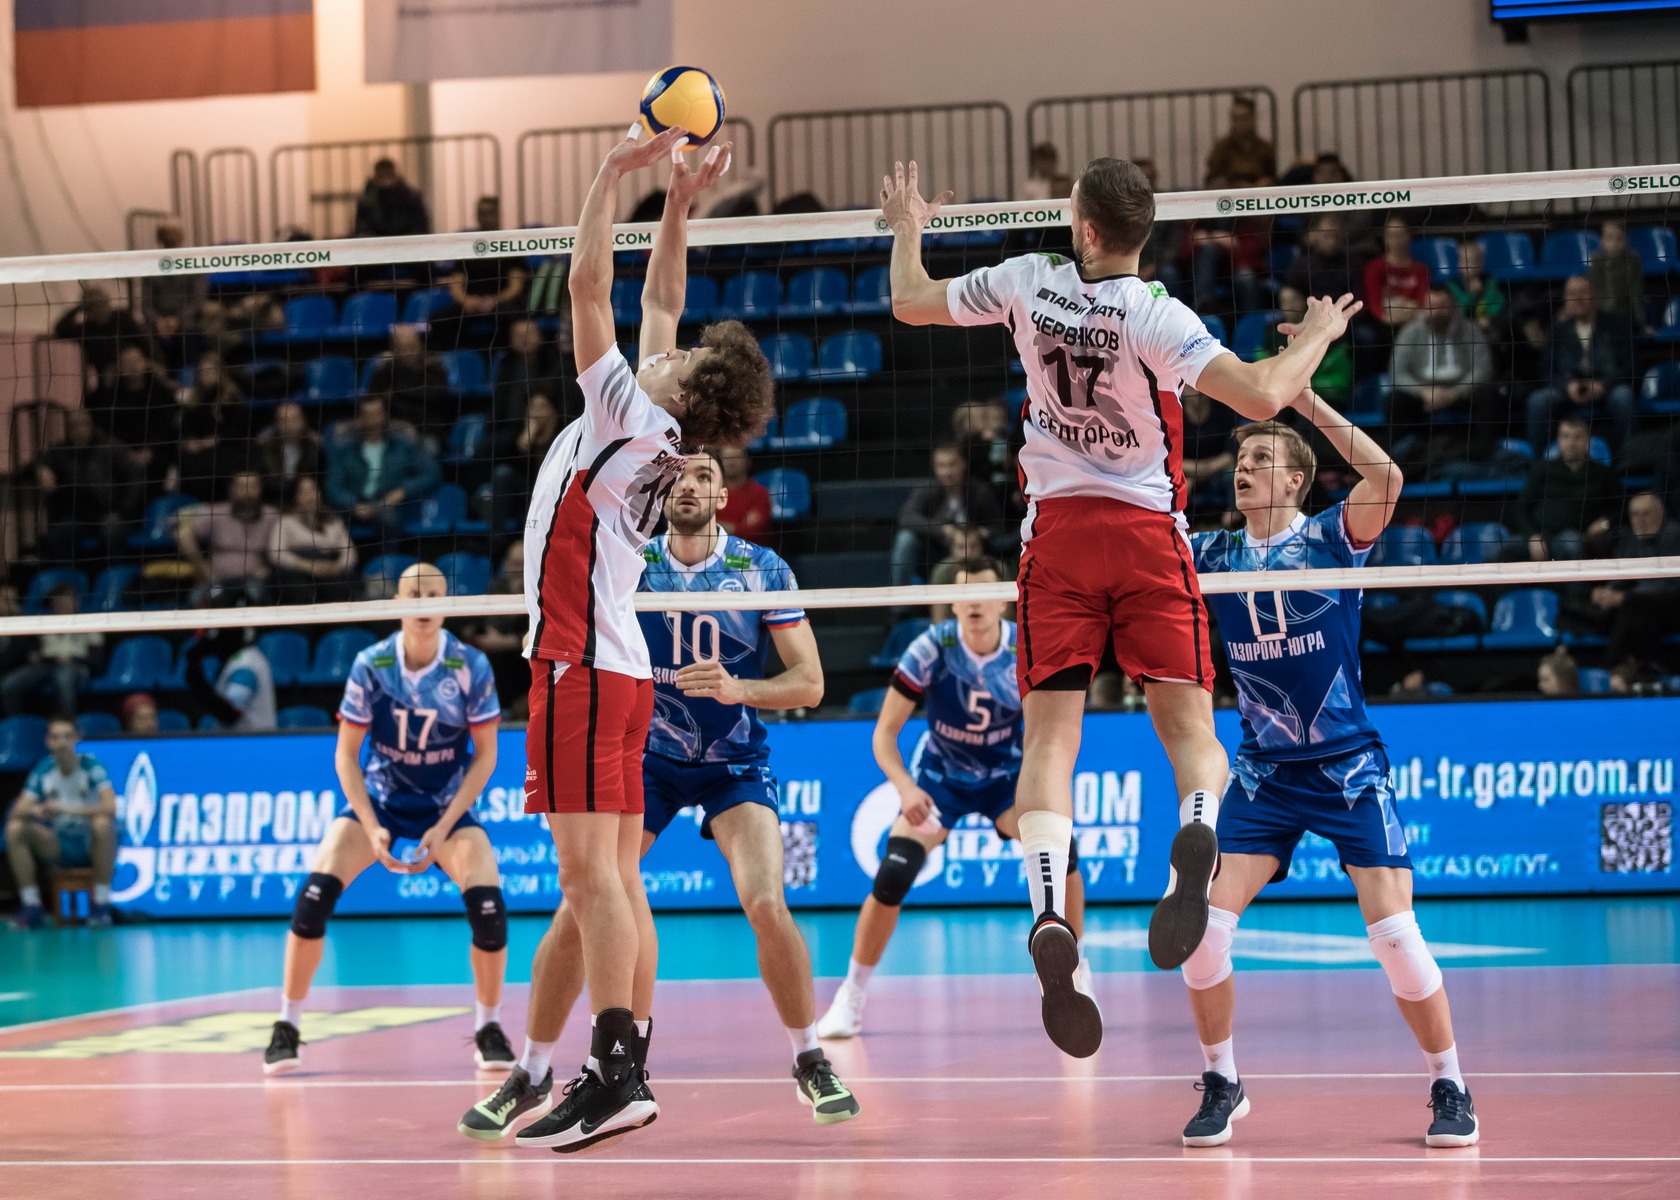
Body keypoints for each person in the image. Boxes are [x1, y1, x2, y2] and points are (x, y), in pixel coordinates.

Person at [883, 154, 1360, 1056]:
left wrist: (909, 227)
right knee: (1189, 730)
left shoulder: (1027, 281)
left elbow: (909, 301)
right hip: (1147, 534)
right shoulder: (1156, 315)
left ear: (1087, 228)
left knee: (1050, 744)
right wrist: (1321, 334)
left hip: (1058, 537)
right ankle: (1198, 831)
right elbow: (1266, 393)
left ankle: (1046, 910)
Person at [461, 452, 856, 1141]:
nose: (690, 485)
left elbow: (811, 683)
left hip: (734, 762)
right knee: (579, 905)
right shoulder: (630, 561)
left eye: (704, 476)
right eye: (680, 475)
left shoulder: (761, 569)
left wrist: (739, 688)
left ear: (724, 495)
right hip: (645, 757)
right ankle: (531, 1070)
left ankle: (810, 1059)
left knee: (765, 901)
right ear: (661, 490)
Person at [509, 128, 772, 1152]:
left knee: (589, 883)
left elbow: (588, 287)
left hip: (580, 668)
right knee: (612, 878)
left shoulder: (623, 408)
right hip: (616, 672)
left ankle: (613, 1073)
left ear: (686, 392)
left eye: (687, 357)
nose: (673, 345)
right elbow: (660, 298)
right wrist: (677, 203)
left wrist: (612, 174)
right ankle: (620, 1068)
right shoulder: (662, 419)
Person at [1180, 394, 1479, 1149]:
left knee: (1396, 937)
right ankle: (1222, 1079)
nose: (1244, 468)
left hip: (1348, 768)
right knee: (1202, 932)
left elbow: (1388, 477)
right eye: (1241, 458)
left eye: (1261, 459)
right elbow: (1143, 532)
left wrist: (1301, 399)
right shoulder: (1210, 554)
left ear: (1295, 480)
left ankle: (1450, 1083)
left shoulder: (1331, 539)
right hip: (1264, 774)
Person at [818, 558, 1087, 1040]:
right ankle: (850, 994)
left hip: (1007, 778)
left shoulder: (1025, 649)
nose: (974, 603)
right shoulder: (932, 648)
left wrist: (1036, 785)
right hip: (941, 779)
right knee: (894, 872)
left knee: (1063, 851)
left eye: (984, 593)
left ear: (1004, 601)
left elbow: (1048, 733)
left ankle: (1073, 972)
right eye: (964, 595)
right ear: (952, 603)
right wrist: (907, 788)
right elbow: (884, 736)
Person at [263, 563, 508, 1074]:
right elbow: (345, 755)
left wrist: (445, 825)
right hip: (381, 800)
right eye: (414, 594)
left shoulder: (470, 665)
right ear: (397, 602)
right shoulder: (371, 664)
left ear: (448, 603)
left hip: (444, 806)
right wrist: (371, 823)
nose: (424, 605)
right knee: (313, 897)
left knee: (488, 906)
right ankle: (287, 1024)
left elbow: (486, 755)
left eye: (434, 595)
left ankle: (488, 1026)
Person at [5, 716, 119, 928]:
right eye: (56, 737)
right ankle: (31, 905)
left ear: (77, 738)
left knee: (102, 823)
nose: (62, 743)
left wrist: (65, 809)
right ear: (48, 742)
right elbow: (17, 810)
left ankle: (101, 904)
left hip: (91, 844)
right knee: (15, 828)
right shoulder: (44, 769)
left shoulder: (91, 766)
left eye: (67, 736)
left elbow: (111, 807)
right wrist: (38, 809)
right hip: (60, 845)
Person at [1388, 283, 1499, 469]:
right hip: (1423, 395)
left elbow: (1483, 369)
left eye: (1442, 307)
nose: (1436, 313)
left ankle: (1484, 455)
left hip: (1462, 393)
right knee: (1394, 400)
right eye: (1432, 307)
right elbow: (1397, 372)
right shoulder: (1410, 332)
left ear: (1453, 307)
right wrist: (1422, 392)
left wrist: (1456, 392)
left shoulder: (1470, 330)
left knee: (1490, 394)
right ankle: (1401, 462)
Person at [1568, 492, 1680, 668]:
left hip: (1671, 604)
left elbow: (1670, 586)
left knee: (1630, 605)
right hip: (1642, 610)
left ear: (1661, 513)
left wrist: (1624, 596)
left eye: (1646, 514)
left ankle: (1610, 665)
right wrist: (1607, 592)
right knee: (1638, 621)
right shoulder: (1630, 538)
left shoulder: (1674, 536)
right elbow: (1623, 575)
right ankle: (1640, 670)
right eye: (1635, 514)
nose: (1640, 520)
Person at [1526, 275, 1636, 453]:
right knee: (1538, 401)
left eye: (1583, 292)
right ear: (1565, 300)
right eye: (1572, 294)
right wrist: (1566, 386)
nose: (1577, 299)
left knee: (1624, 397)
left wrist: (1604, 385)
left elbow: (1630, 365)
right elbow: (1546, 369)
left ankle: (1629, 459)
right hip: (1568, 389)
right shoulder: (1558, 330)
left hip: (1607, 388)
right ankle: (1539, 463)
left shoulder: (1617, 325)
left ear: (1595, 296)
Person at [34, 407, 143, 565]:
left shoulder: (111, 447)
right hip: (79, 517)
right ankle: (68, 578)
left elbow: (135, 479)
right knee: (57, 536)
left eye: (82, 424)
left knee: (111, 532)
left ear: (91, 425)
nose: (78, 430)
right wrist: (41, 468)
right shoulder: (62, 451)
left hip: (112, 513)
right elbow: (32, 466)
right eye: (72, 426)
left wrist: (122, 512)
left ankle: (114, 577)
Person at [324, 395, 442, 540]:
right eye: (367, 415)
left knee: (389, 520)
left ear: (385, 415)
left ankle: (390, 555)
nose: (373, 420)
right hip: (353, 505)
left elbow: (432, 473)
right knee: (330, 523)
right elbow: (333, 486)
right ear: (359, 418)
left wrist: (403, 490)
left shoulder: (402, 446)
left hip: (387, 504)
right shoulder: (344, 450)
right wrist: (353, 504)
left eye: (377, 413)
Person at [1510, 417, 1623, 562]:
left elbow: (1621, 508)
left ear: (1588, 441)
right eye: (1565, 436)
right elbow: (1521, 508)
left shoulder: (1603, 474)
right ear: (1558, 440)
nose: (1571, 442)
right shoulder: (1542, 470)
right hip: (1540, 534)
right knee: (1503, 550)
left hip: (1576, 536)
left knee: (1572, 544)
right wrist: (1532, 536)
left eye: (1577, 437)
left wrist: (1605, 522)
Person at [891, 443, 1002, 589]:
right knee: (905, 539)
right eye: (941, 466)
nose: (947, 472)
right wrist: (942, 529)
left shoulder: (980, 491)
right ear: (934, 467)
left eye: (952, 465)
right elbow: (906, 517)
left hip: (975, 553)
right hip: (936, 552)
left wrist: (979, 533)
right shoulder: (926, 489)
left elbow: (998, 526)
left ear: (963, 464)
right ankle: (901, 598)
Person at [436, 196, 530, 348]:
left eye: (490, 212)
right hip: (471, 304)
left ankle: (505, 357)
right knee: (437, 320)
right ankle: (447, 358)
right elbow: (456, 283)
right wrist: (466, 300)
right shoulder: (468, 245)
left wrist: (495, 300)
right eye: (482, 213)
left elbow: (516, 286)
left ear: (498, 214)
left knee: (519, 322)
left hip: (502, 305)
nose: (486, 217)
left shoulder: (510, 244)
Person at [178, 470, 278, 606]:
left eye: (253, 486)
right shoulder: (217, 512)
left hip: (253, 581)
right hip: (217, 581)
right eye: (242, 487)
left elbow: (283, 545)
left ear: (260, 489)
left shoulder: (271, 515)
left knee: (252, 598)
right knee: (196, 598)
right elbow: (183, 535)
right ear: (233, 489)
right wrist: (203, 567)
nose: (247, 492)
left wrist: (269, 567)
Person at [1, 585, 102, 717]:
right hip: (46, 664)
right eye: (57, 600)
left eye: (65, 600)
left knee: (63, 678)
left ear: (76, 601)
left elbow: (96, 658)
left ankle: (67, 721)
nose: (61, 604)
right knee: (8, 685)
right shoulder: (44, 622)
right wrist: (34, 654)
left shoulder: (89, 623)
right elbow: (32, 649)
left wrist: (72, 658)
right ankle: (16, 722)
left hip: (75, 664)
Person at [1257, 285, 1353, 408]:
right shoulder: (1274, 333)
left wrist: (1300, 384)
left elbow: (1340, 380)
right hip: (1285, 394)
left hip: (1325, 395)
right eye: (1284, 301)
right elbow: (1262, 365)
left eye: (1294, 300)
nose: (1289, 305)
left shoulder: (1331, 334)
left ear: (1304, 300)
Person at [267, 476, 357, 604]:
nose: (311, 496)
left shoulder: (334, 521)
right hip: (298, 573)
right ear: (295, 497)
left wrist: (336, 567)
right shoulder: (286, 521)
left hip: (330, 572)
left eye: (313, 490)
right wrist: (308, 566)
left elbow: (350, 553)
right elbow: (276, 554)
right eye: (304, 492)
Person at [175, 351, 253, 491]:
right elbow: (188, 426)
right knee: (185, 456)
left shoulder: (232, 397)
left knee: (213, 459)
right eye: (203, 371)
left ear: (220, 372)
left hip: (227, 446)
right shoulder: (194, 400)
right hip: (201, 447)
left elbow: (239, 429)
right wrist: (191, 441)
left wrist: (214, 440)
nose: (206, 375)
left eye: (210, 371)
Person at [53, 285, 145, 385]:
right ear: (88, 311)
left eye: (102, 305)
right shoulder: (86, 330)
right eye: (94, 307)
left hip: (134, 371)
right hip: (106, 379)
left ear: (108, 303)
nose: (100, 310)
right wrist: (79, 307)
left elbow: (144, 342)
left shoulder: (122, 318)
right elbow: (60, 329)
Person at [1364, 214, 1431, 330]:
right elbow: (1375, 304)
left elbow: (1421, 301)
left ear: (1409, 236)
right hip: (1384, 323)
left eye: (1400, 235)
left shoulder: (1421, 269)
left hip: (1414, 321)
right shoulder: (1375, 267)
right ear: (1385, 239)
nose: (1396, 241)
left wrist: (1407, 312)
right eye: (1391, 236)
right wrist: (1388, 319)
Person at [253, 401, 324, 504]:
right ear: (276, 424)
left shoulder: (315, 449)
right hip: (271, 502)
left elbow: (319, 481)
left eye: (294, 419)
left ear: (304, 420)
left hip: (304, 503)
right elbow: (264, 481)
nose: (290, 425)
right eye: (284, 420)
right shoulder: (264, 448)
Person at [1204, 95, 1275, 188]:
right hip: (1230, 191)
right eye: (1235, 119)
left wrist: (1266, 182)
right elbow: (1212, 178)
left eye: (1244, 118)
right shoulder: (1221, 147)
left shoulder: (1265, 148)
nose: (1239, 123)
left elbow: (1272, 176)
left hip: (1258, 191)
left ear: (1253, 119)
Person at [1589, 218, 1646, 331]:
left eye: (1619, 238)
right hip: (1601, 316)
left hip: (1625, 315)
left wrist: (1641, 323)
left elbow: (1636, 293)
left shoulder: (1633, 260)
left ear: (1626, 240)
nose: (1614, 243)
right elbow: (1594, 290)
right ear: (1602, 240)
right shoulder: (1596, 260)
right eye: (1609, 238)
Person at [352, 158, 430, 238]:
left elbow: (420, 228)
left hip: (404, 242)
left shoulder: (412, 198)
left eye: (387, 174)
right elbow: (361, 229)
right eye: (382, 175)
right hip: (380, 242)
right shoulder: (366, 201)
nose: (385, 179)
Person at [716, 444, 773, 541]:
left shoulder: (760, 494)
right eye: (726, 458)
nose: (731, 462)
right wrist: (737, 527)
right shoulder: (711, 493)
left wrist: (716, 526)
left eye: (736, 457)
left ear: (747, 461)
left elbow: (753, 531)